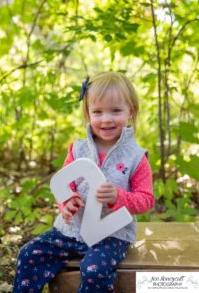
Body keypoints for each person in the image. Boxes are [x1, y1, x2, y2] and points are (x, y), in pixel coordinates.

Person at [13, 71, 155, 293]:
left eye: (116, 111)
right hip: (73, 229)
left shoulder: (136, 157)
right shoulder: (78, 149)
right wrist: (66, 202)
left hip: (111, 235)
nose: (106, 119)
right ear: (88, 114)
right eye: (98, 112)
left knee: (94, 269)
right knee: (29, 253)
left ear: (131, 112)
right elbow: (65, 184)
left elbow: (146, 200)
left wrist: (119, 196)